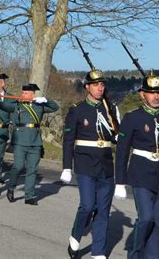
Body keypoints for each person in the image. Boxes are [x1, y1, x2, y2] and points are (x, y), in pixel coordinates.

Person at [114, 70, 159, 259]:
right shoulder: (132, 117)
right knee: (146, 218)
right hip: (141, 172)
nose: (156, 96)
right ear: (142, 94)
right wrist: (119, 182)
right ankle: (135, 254)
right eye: (152, 92)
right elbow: (122, 152)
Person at [61, 69, 118, 259]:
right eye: (95, 85)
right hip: (85, 164)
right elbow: (68, 140)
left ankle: (99, 252)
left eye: (102, 85)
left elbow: (118, 136)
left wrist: (119, 134)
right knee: (87, 205)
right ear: (87, 87)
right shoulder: (77, 110)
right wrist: (67, 167)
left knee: (103, 210)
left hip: (106, 165)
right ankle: (76, 235)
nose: (100, 88)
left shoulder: (111, 109)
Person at [0, 83, 59, 205]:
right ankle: (11, 188)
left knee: (32, 169)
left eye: (26, 93)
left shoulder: (39, 105)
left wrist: (46, 100)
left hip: (35, 141)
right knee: (18, 166)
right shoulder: (17, 105)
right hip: (20, 140)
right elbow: (4, 106)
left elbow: (55, 107)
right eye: (22, 93)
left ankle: (29, 196)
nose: (23, 94)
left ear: (33, 94)